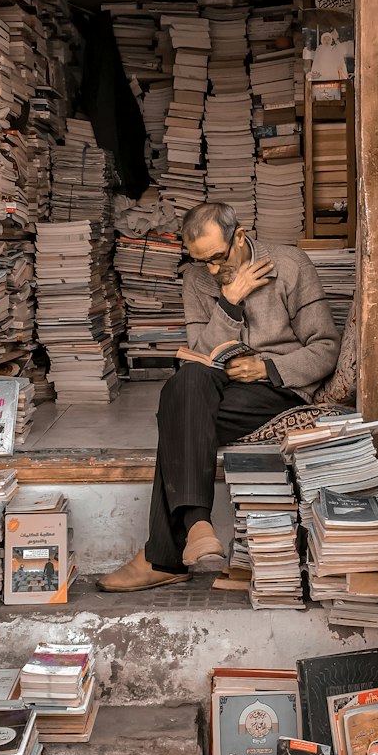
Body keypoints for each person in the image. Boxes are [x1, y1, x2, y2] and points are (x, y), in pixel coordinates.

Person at [98, 202, 341, 592]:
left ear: (239, 237)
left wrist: (267, 369)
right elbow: (199, 351)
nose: (211, 269)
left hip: (278, 386)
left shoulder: (291, 265)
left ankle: (165, 553)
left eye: (217, 258)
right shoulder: (198, 279)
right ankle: (196, 527)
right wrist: (229, 300)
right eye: (201, 260)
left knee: (178, 415)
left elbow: (326, 346)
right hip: (219, 384)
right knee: (187, 385)